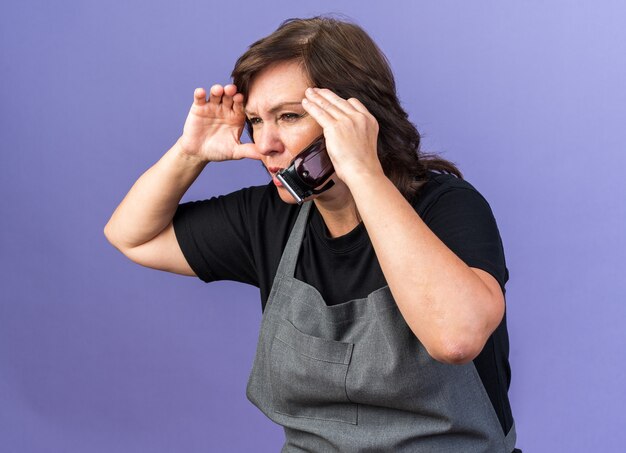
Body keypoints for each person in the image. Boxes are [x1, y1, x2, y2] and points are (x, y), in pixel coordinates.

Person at [105, 16, 520, 452]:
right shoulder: (270, 217)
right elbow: (132, 236)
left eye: (288, 116)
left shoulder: (447, 206)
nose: (265, 143)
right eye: (255, 121)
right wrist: (189, 154)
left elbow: (455, 338)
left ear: (356, 117)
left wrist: (362, 170)